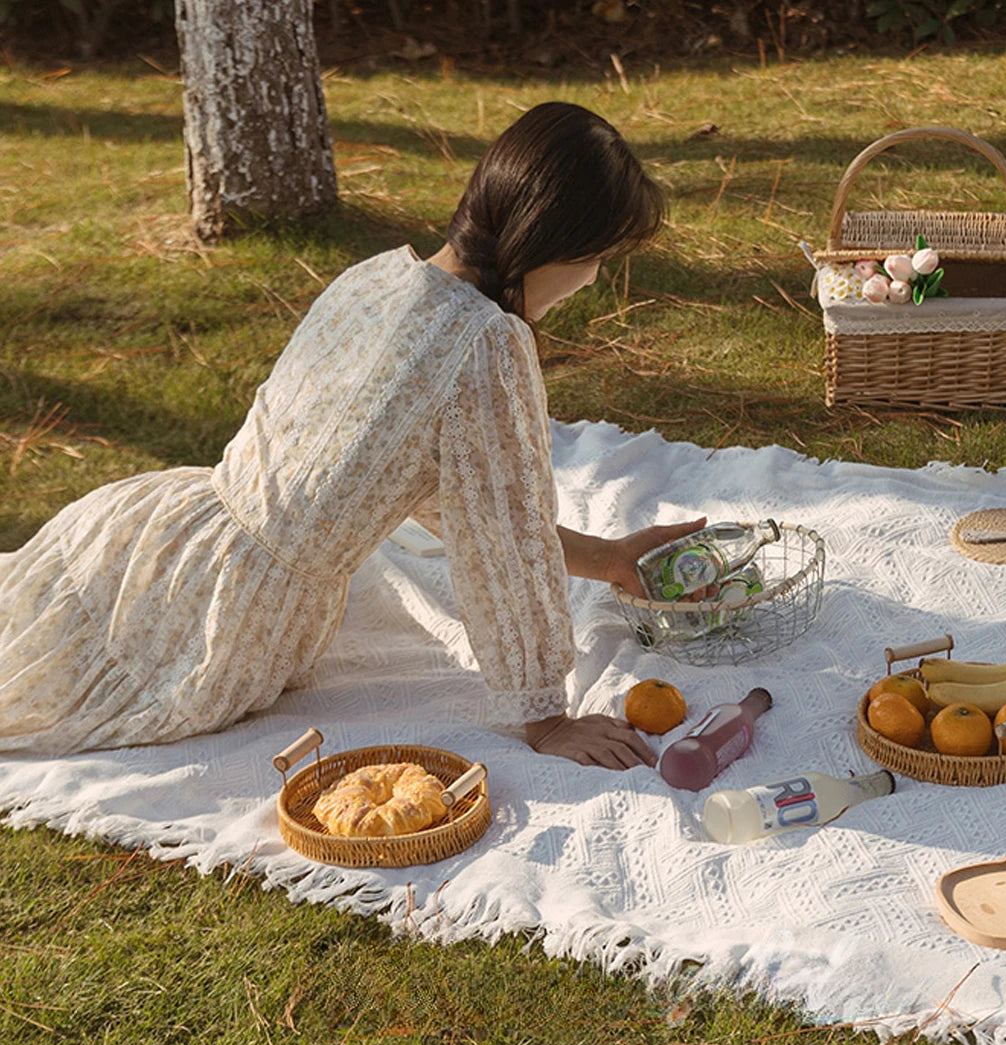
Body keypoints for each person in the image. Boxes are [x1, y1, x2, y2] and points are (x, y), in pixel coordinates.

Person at [0, 102, 700, 770]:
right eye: (597, 256)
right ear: (553, 238)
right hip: (230, 619)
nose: (592, 279)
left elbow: (456, 502)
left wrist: (610, 559)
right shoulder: (487, 342)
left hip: (158, 539)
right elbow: (504, 544)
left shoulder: (377, 275)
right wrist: (546, 717)